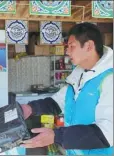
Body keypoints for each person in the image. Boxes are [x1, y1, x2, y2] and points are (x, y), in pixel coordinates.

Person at [21, 22, 113, 155]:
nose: (67, 51)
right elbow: (57, 102)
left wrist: (56, 136)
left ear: (89, 46)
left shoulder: (109, 79)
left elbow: (108, 132)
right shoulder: (78, 73)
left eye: (72, 46)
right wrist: (30, 108)